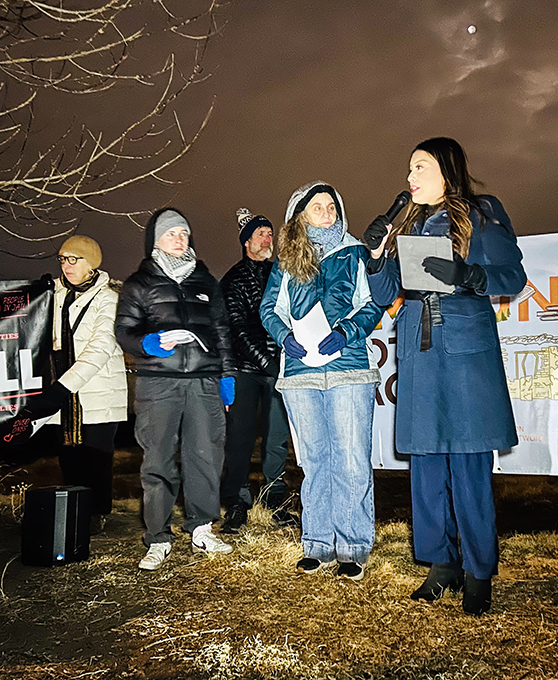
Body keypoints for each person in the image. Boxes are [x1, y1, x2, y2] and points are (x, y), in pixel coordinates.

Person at [363, 137, 527, 615]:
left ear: (446, 170)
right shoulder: (409, 225)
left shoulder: (481, 213)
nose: (409, 177)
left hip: (464, 349)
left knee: (468, 465)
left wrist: (471, 277)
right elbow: (385, 293)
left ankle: (478, 570)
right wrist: (375, 256)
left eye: (420, 167)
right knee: (427, 464)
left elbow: (512, 277)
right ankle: (441, 564)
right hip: (418, 348)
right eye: (409, 169)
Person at [260, 182, 382, 581]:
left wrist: (347, 332)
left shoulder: (355, 253)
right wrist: (284, 339)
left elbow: (371, 304)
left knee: (351, 458)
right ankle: (317, 544)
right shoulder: (286, 261)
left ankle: (353, 546)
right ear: (300, 215)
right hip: (301, 373)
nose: (327, 212)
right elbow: (269, 309)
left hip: (349, 367)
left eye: (332, 206)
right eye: (318, 207)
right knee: (315, 461)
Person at [115, 208, 237, 571]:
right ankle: (157, 538)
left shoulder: (206, 281)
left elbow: (222, 333)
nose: (180, 239)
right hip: (158, 384)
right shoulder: (139, 284)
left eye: (184, 233)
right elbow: (124, 332)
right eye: (171, 234)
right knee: (158, 459)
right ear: (156, 240)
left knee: (206, 456)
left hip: (203, 382)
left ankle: (202, 527)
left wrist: (227, 376)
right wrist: (148, 343)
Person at [24, 236, 128, 534]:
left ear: (91, 263)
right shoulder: (53, 296)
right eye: (63, 260)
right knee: (68, 454)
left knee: (95, 455)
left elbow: (100, 348)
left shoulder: (109, 298)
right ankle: (75, 511)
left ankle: (96, 514)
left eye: (75, 260)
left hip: (97, 392)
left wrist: (60, 390)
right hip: (64, 395)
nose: (67, 266)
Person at [218, 208, 296, 533]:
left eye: (269, 234)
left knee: (277, 439)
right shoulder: (233, 279)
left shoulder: (284, 274)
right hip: (246, 369)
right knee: (240, 438)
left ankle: (274, 498)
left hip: (278, 367)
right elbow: (236, 329)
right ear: (247, 242)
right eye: (262, 234)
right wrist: (269, 363)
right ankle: (236, 501)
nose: (269, 239)